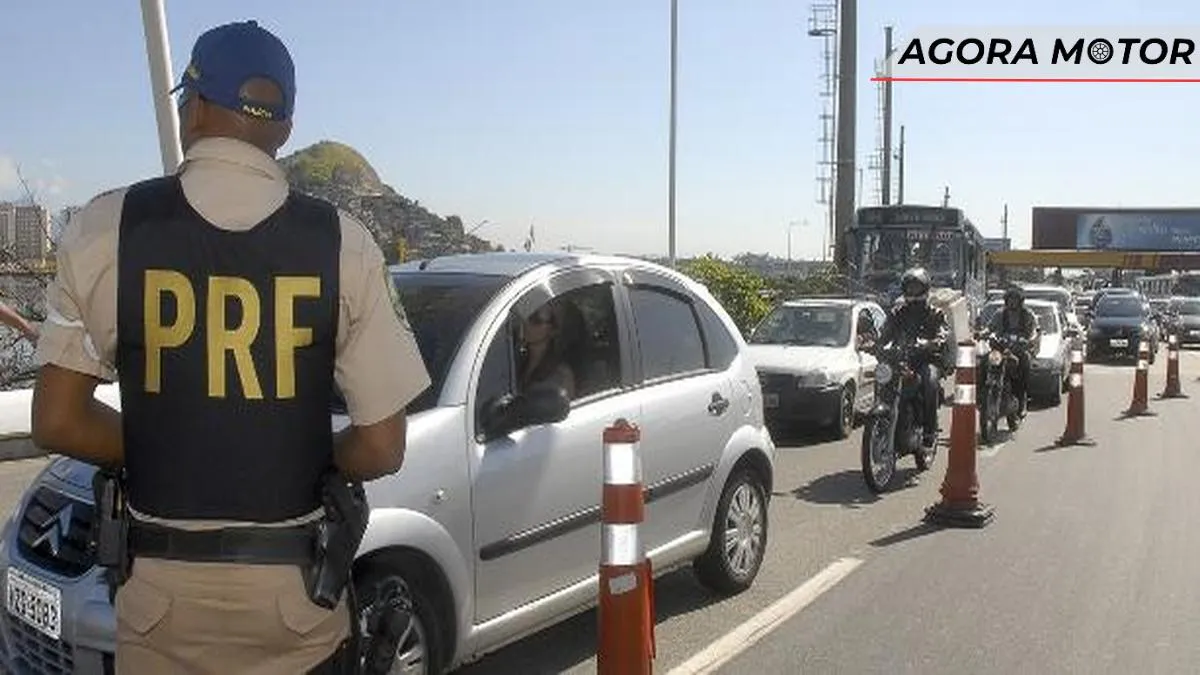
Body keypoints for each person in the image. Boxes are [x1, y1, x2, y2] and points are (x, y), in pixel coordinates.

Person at [30, 20, 430, 674]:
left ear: (194, 107)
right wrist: (301, 454)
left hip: (160, 609)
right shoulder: (346, 243)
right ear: (286, 128)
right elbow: (383, 445)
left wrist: (173, 441)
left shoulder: (107, 227)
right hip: (296, 605)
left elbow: (57, 418)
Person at [876, 268, 950, 447]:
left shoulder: (935, 313)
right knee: (883, 379)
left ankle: (929, 431)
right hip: (901, 359)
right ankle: (882, 421)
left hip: (926, 359)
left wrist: (932, 342)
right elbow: (885, 334)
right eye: (909, 287)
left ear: (924, 288)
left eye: (916, 287)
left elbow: (943, 332)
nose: (912, 291)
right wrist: (874, 343)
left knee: (930, 382)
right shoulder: (897, 312)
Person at [986, 285, 1040, 415]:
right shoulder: (1000, 314)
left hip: (1019, 348)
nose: (1012, 301)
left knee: (1024, 362)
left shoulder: (1028, 315)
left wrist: (1030, 340)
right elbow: (989, 328)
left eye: (1015, 299)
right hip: (1001, 348)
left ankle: (1021, 401)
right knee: (984, 361)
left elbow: (1034, 331)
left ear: (1021, 301)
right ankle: (984, 394)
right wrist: (981, 333)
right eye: (1010, 298)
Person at [518, 301, 576, 398]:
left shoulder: (562, 374)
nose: (527, 324)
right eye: (527, 318)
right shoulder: (516, 361)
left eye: (536, 320)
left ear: (552, 330)